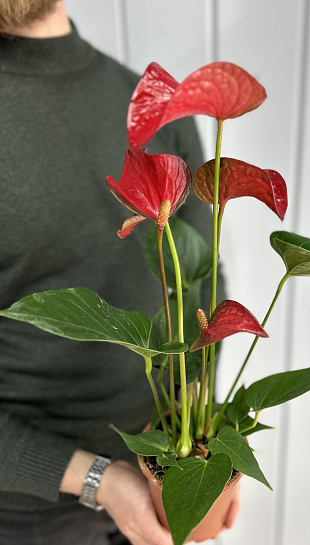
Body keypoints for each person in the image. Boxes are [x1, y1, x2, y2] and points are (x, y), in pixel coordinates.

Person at [0, 1, 239, 544]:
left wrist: (202, 449)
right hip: (27, 509)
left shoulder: (154, 105)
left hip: (159, 467)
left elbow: (201, 283)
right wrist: (99, 480)